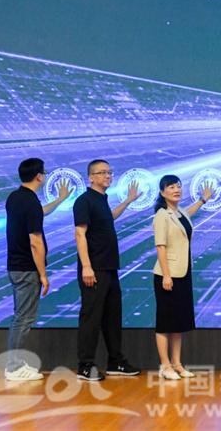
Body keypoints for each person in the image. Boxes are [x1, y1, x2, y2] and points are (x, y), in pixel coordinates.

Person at [73, 159, 142, 382]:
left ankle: (115, 361)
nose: (107, 176)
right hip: (94, 269)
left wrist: (128, 201)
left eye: (109, 172)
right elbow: (80, 234)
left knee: (112, 316)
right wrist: (86, 266)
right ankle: (85, 365)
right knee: (91, 318)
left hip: (110, 267)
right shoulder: (84, 201)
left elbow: (109, 218)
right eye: (102, 173)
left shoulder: (101, 200)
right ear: (91, 177)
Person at [4, 158, 72, 381]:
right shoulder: (30, 202)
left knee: (20, 317)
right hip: (26, 268)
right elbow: (35, 241)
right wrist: (43, 274)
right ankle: (13, 367)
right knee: (23, 319)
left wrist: (60, 199)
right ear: (39, 177)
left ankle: (15, 363)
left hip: (15, 266)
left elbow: (39, 212)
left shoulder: (16, 197)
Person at [152, 175, 213, 380]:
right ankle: (165, 365)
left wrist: (203, 200)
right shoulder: (161, 215)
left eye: (178, 186)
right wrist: (166, 275)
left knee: (179, 321)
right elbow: (160, 246)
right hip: (167, 274)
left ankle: (177, 363)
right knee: (165, 322)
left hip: (183, 272)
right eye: (171, 187)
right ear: (162, 192)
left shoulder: (179, 212)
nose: (176, 190)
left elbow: (189, 213)